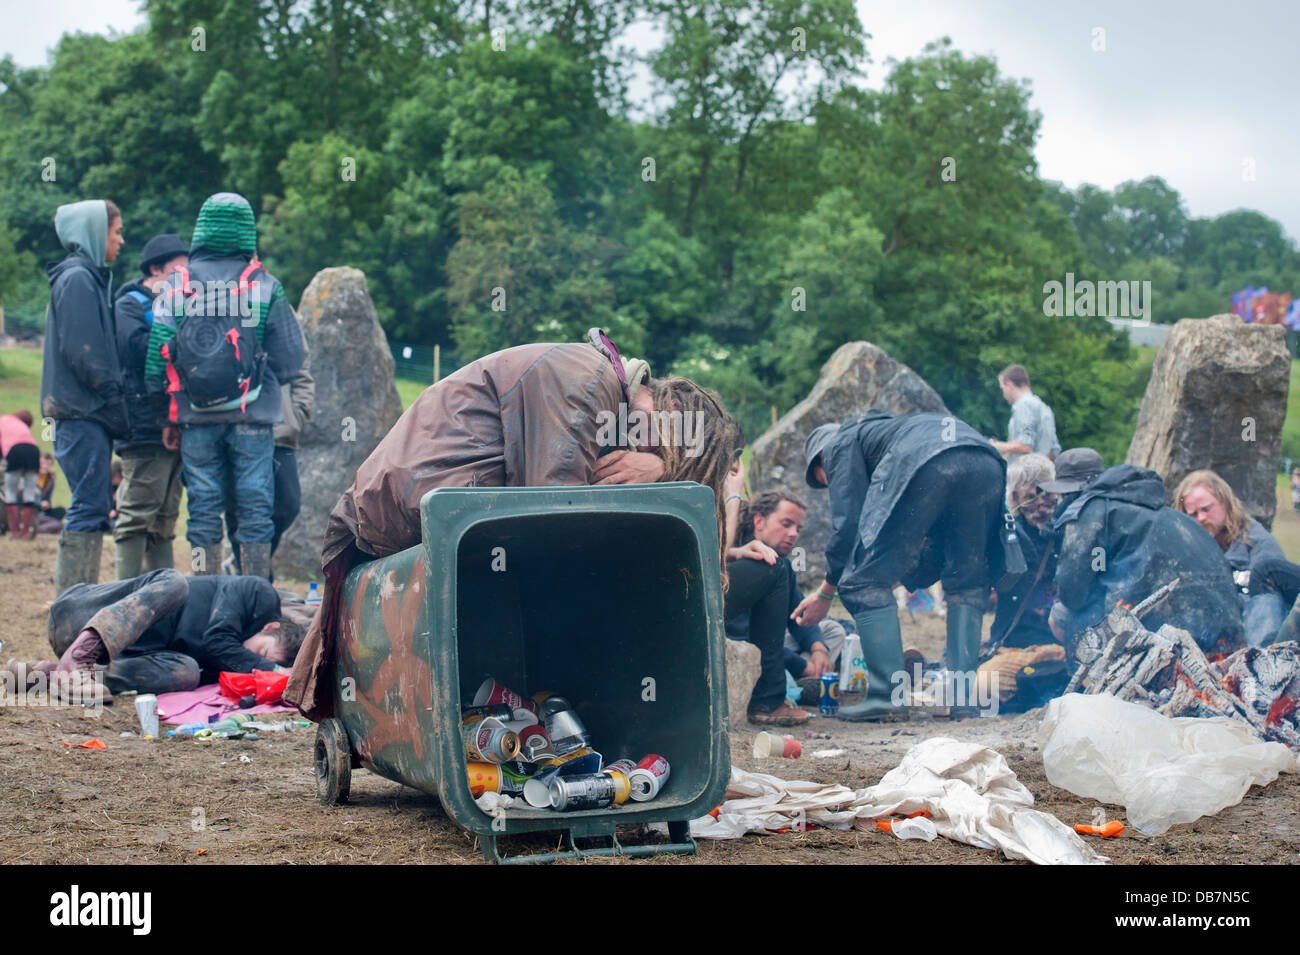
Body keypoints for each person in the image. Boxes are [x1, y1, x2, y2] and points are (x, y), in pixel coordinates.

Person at [285, 330, 741, 721]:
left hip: (409, 509)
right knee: (574, 586)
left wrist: (654, 473)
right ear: (675, 410)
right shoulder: (590, 383)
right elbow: (554, 521)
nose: (642, 460)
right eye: (663, 452)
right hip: (402, 511)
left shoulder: (600, 388)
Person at [792, 411, 1006, 721]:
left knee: (861, 582)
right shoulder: (891, 431)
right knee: (967, 580)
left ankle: (887, 697)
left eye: (823, 478)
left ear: (821, 460)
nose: (827, 483)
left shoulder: (839, 443)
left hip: (927, 460)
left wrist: (827, 593)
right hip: (985, 459)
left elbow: (850, 526)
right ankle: (963, 701)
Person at [145, 193, 305, 580]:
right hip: (253, 418)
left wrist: (168, 417)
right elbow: (290, 361)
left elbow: (156, 360)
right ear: (247, 232)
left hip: (195, 418)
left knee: (202, 510)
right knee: (255, 509)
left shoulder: (176, 285)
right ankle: (253, 594)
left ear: (201, 228)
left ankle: (203, 593)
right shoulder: (265, 286)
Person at [1047, 450, 1244, 658]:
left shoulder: (1091, 510)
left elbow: (1072, 592)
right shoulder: (1174, 517)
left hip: (1153, 638)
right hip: (1219, 638)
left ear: (1070, 492)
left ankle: (1090, 685)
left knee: (1061, 615)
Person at [4, 570, 305, 701]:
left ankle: (44, 676)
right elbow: (217, 639)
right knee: (174, 582)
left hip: (113, 652)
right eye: (262, 652)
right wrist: (276, 672)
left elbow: (221, 658)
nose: (253, 661)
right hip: (79, 613)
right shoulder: (257, 594)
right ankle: (77, 659)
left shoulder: (230, 661)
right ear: (270, 627)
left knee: (187, 673)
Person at [41, 199, 129, 593]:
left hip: (85, 411)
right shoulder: (77, 279)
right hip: (81, 412)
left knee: (91, 504)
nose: (121, 241)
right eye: (116, 231)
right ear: (97, 232)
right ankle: (73, 604)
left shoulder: (87, 277)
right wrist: (113, 397)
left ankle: (77, 600)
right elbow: (85, 352)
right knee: (90, 505)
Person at [112, 233, 189, 578]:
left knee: (166, 516)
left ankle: (161, 601)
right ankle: (122, 600)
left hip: (177, 421)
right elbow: (137, 350)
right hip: (143, 426)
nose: (187, 274)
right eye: (179, 268)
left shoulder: (186, 301)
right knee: (137, 514)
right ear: (156, 269)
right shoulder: (129, 304)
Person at [722, 485, 829, 725]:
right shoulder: (759, 563)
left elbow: (799, 609)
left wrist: (818, 647)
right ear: (759, 521)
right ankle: (778, 695)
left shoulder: (779, 562)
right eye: (786, 524)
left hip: (778, 644)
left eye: (798, 529)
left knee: (836, 630)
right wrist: (801, 665)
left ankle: (811, 673)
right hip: (750, 648)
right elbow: (743, 635)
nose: (793, 534)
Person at [224, 334, 315, 572]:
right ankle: (251, 575)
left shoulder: (279, 307)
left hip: (279, 429)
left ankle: (245, 567)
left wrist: (298, 412)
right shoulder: (223, 302)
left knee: (287, 505)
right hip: (235, 425)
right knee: (240, 510)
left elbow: (301, 363)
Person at [1174, 469, 1288, 647]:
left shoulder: (1258, 543)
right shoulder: (1186, 549)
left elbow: (1268, 604)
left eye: (1206, 509)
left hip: (1252, 639)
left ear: (1225, 503)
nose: (1201, 518)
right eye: (1193, 514)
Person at [990, 453, 1061, 649]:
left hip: (1055, 638)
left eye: (1047, 497)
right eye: (1031, 498)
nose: (1041, 508)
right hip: (1014, 637)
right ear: (1014, 498)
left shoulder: (1064, 531)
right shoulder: (1005, 534)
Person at [991, 365, 1060, 461]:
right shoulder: (1043, 407)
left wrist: (995, 446)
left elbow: (1025, 445)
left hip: (1026, 474)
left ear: (1009, 384)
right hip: (1044, 472)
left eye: (1002, 388)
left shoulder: (1023, 405)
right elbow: (1054, 451)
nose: (1003, 394)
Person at [1, 409, 41, 540]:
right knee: (29, 492)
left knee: (11, 492)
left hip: (15, 452)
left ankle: (15, 532)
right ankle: (25, 533)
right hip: (34, 452)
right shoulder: (23, 427)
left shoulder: (4, 420)